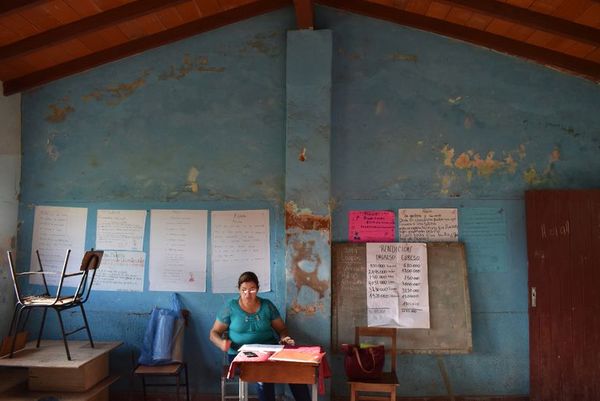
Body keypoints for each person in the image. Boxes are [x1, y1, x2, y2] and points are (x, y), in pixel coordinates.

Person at [209, 271, 311, 401]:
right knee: (264, 371)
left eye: (252, 290)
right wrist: (221, 343)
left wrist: (284, 337)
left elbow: (281, 329)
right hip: (240, 355)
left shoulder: (267, 305)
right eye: (244, 290)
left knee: (294, 369)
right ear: (239, 290)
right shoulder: (231, 307)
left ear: (257, 289)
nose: (247, 294)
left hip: (269, 351)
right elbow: (213, 333)